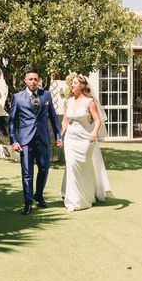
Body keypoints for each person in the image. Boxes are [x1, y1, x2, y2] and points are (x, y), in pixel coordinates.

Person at [9, 69, 62, 215]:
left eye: (35, 79)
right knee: (27, 173)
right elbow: (12, 121)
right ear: (25, 81)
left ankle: (38, 195)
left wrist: (58, 135)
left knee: (44, 169)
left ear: (38, 81)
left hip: (43, 139)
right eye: (30, 79)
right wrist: (14, 140)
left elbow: (53, 117)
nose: (33, 81)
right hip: (25, 141)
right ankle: (28, 203)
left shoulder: (46, 95)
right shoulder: (17, 97)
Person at [61, 74, 110, 211]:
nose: (72, 85)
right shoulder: (68, 101)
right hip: (70, 139)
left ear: (82, 85)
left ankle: (87, 197)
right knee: (71, 167)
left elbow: (98, 120)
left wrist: (94, 132)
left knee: (84, 167)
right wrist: (60, 135)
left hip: (85, 139)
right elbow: (65, 120)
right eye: (72, 83)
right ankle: (73, 201)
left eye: (75, 83)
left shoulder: (90, 102)